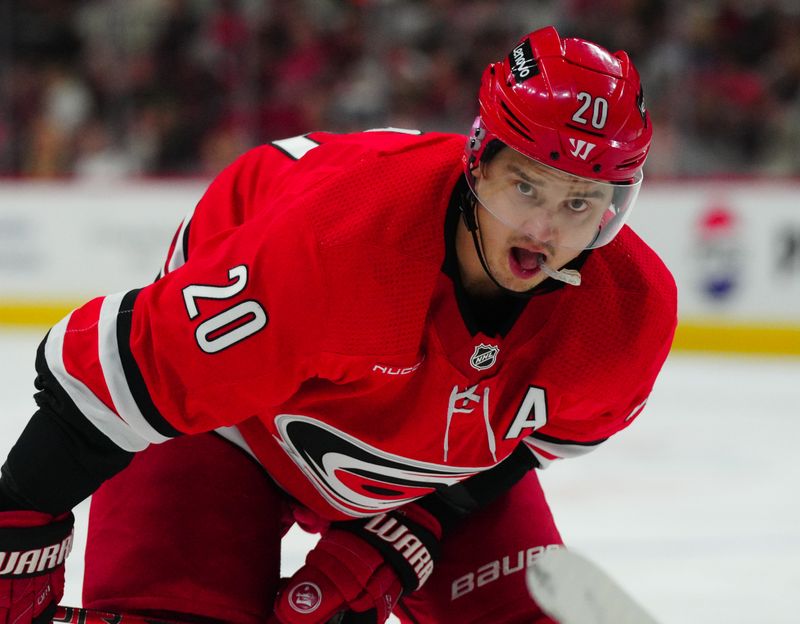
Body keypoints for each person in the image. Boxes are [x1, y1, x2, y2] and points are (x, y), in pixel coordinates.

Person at [0, 26, 675, 624]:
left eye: (581, 203)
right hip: (229, 427)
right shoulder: (339, 246)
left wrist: (395, 537)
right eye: (525, 185)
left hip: (425, 468)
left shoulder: (626, 313)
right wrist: (18, 531)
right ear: (478, 161)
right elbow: (109, 379)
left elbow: (525, 447)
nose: (543, 230)